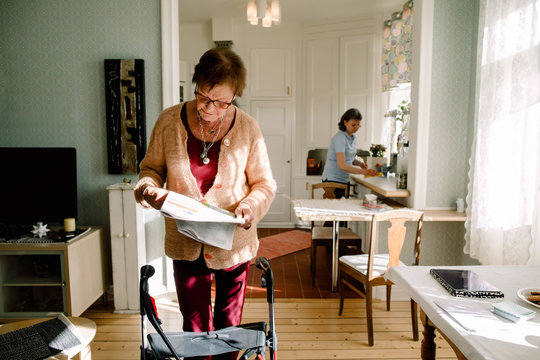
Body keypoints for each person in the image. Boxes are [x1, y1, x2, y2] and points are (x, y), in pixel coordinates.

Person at [134, 47, 276, 360]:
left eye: (221, 102)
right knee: (194, 327)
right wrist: (147, 190)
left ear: (235, 95)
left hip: (233, 244)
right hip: (185, 241)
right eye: (203, 97)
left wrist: (250, 207)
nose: (210, 108)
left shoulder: (248, 129)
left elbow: (264, 184)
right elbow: (150, 170)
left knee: (229, 328)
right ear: (196, 84)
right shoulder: (169, 122)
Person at [322, 108, 378, 198]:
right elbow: (342, 165)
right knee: (336, 210)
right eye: (353, 125)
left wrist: (359, 163)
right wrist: (364, 172)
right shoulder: (340, 138)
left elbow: (348, 158)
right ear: (345, 122)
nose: (356, 127)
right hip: (333, 181)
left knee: (343, 210)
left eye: (358, 125)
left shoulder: (353, 138)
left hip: (344, 179)